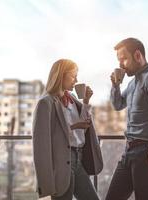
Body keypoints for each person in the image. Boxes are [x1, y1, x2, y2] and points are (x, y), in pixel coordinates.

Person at [106, 38, 148, 200]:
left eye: (124, 59)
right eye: (119, 60)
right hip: (129, 151)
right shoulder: (132, 83)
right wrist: (115, 85)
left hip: (146, 152)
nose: (121, 64)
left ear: (137, 55)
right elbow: (117, 104)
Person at [32, 59, 103, 200]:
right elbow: (41, 145)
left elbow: (81, 124)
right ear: (61, 76)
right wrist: (46, 180)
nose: (76, 80)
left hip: (78, 159)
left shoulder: (72, 99)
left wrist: (86, 102)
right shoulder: (45, 103)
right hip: (61, 162)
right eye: (73, 76)